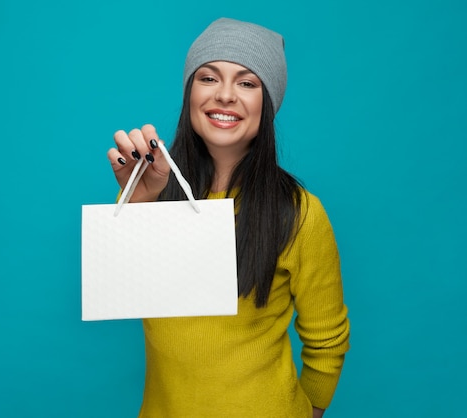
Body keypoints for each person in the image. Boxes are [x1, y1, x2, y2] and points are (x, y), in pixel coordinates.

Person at [106, 17, 350, 418]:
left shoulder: (300, 212)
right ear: (189, 93)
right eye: (208, 77)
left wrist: (311, 411)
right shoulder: (150, 194)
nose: (225, 95)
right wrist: (138, 202)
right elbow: (116, 291)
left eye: (247, 83)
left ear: (267, 103)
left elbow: (328, 340)